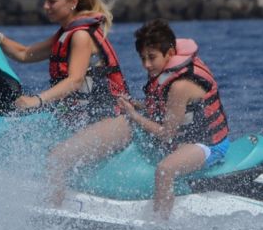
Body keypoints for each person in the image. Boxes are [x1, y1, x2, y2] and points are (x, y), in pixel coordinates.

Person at [49, 18, 230, 219]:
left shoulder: (180, 85)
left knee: (165, 170)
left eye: (151, 57)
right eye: (143, 58)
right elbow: (169, 109)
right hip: (178, 132)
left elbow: (167, 133)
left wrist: (135, 115)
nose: (146, 64)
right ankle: (58, 194)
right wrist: (137, 106)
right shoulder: (165, 71)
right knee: (120, 124)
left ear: (169, 53)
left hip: (205, 144)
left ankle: (160, 225)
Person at [0, 0, 128, 125]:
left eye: (52, 1)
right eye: (45, 0)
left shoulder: (81, 36)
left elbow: (75, 80)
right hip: (84, 119)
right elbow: (24, 54)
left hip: (109, 119)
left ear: (73, 2)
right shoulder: (65, 34)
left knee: (55, 152)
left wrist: (36, 100)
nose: (45, 6)